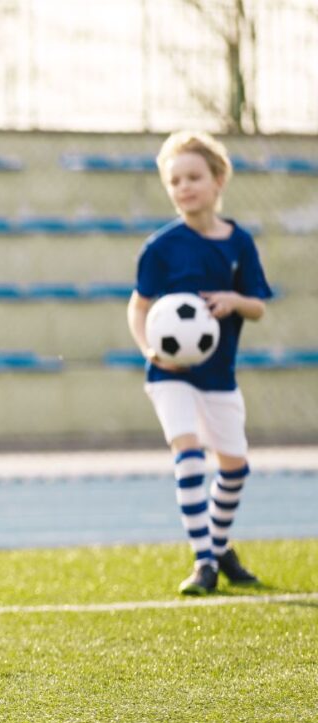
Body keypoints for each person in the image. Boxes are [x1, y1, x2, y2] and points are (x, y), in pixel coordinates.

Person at [127, 130, 272, 596]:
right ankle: (203, 561)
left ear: (218, 180)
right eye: (175, 181)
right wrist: (149, 349)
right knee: (188, 454)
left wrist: (234, 300)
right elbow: (138, 307)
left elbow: (258, 306)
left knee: (235, 467)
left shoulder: (239, 243)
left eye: (193, 177)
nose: (184, 187)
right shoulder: (160, 247)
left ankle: (220, 546)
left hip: (219, 375)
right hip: (170, 374)